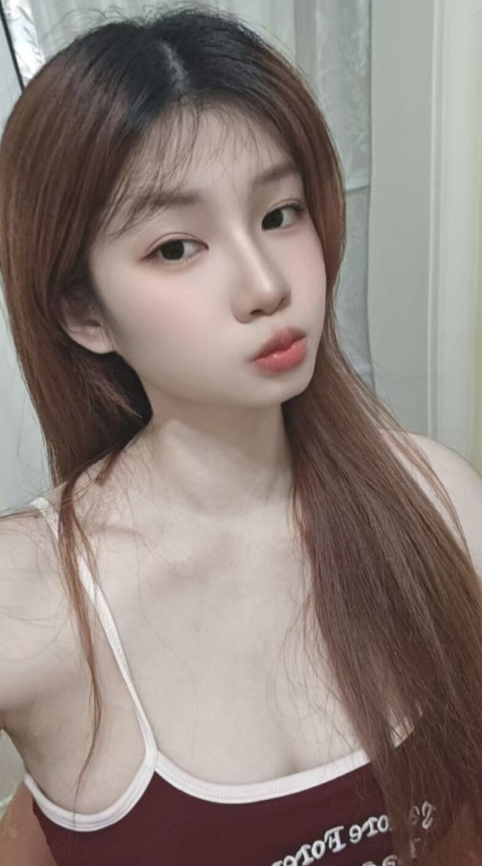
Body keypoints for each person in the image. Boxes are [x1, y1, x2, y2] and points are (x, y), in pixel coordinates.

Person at [0, 5, 482, 865]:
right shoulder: (31, 598)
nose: (265, 286)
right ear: (82, 311)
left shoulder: (438, 502)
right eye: (176, 248)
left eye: (279, 214)